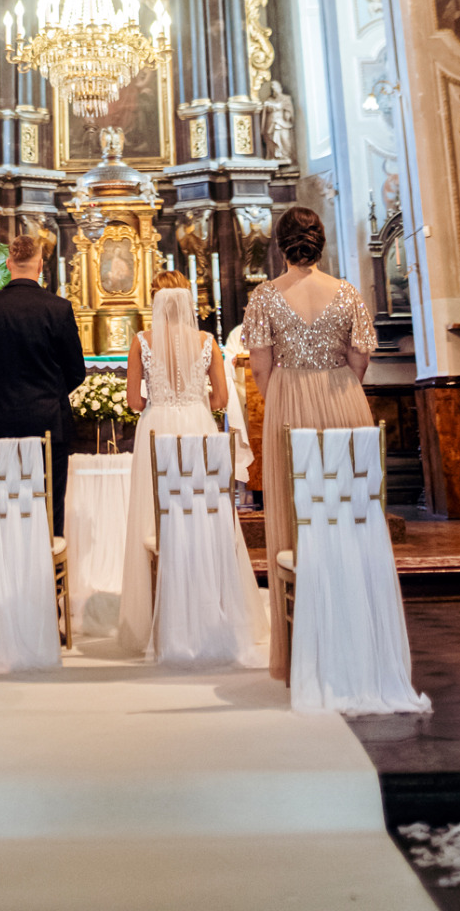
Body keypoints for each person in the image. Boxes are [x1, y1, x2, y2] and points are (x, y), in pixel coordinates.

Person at [240, 206, 377, 680]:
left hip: (289, 402)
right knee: (349, 513)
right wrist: (338, 385)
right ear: (320, 242)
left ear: (280, 245)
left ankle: (305, 648)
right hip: (345, 401)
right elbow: (361, 357)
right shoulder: (348, 292)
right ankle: (358, 637)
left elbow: (259, 368)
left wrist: (287, 393)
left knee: (298, 514)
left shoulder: (263, 297)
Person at [117, 271, 268, 662]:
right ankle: (212, 609)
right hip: (198, 427)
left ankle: (159, 617)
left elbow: (134, 401)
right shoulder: (207, 341)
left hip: (157, 429)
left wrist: (160, 398)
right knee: (206, 515)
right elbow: (220, 397)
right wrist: (194, 397)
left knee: (159, 519)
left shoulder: (141, 342)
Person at [0, 232, 86, 535]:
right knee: (49, 507)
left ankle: (3, 572)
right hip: (48, 422)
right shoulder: (59, 308)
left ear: (9, 263)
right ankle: (48, 576)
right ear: (41, 265)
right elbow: (76, 371)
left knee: (1, 504)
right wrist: (49, 394)